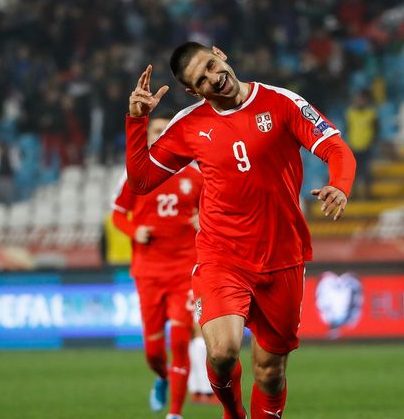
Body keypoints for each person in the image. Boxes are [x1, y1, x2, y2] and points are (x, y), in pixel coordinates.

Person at [124, 42, 356, 419]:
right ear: (193, 91)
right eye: (203, 79)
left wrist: (340, 185)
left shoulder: (282, 102)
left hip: (282, 257)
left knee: (269, 372)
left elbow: (336, 148)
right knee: (221, 352)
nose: (215, 78)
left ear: (222, 54)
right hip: (223, 256)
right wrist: (136, 123)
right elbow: (142, 180)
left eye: (213, 65)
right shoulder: (189, 124)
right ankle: (233, 413)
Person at [111, 112, 204, 419]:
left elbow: (220, 211)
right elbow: (116, 216)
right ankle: (162, 377)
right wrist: (133, 231)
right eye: (157, 130)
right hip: (148, 273)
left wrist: (204, 220)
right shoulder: (136, 177)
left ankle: (175, 414)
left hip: (183, 272)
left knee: (179, 342)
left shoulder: (195, 177)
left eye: (167, 130)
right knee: (153, 352)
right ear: (149, 136)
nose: (162, 134)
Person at [345, 90, 377, 198]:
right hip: (353, 147)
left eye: (362, 99)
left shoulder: (371, 113)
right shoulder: (350, 113)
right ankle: (354, 194)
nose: (360, 101)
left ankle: (368, 193)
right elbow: (347, 129)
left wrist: (371, 142)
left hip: (366, 147)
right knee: (353, 172)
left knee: (366, 171)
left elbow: (375, 130)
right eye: (358, 99)